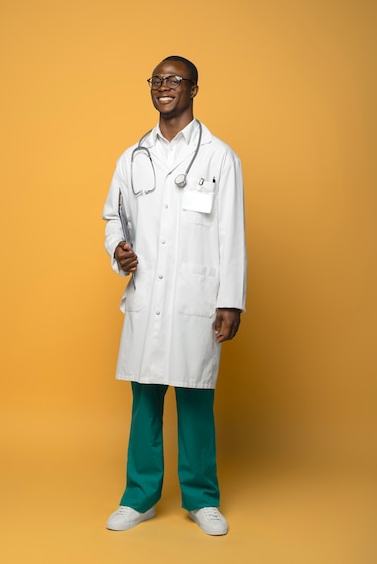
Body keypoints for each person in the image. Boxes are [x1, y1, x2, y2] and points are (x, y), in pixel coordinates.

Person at [102, 55, 246, 536]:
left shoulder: (218, 157)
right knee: (145, 396)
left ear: (194, 89)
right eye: (157, 80)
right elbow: (112, 218)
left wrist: (231, 299)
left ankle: (202, 498)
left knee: (195, 395)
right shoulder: (133, 156)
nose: (164, 87)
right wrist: (117, 248)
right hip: (148, 296)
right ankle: (138, 497)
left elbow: (232, 232)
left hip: (195, 297)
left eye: (175, 81)